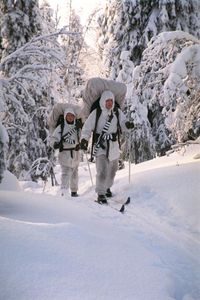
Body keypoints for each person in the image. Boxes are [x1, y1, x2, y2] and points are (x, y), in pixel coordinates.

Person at [80, 90, 134, 204]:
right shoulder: (96, 113)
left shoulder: (117, 112)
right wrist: (84, 139)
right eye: (107, 101)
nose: (109, 103)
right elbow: (87, 127)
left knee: (113, 169)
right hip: (101, 145)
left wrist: (128, 125)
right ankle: (101, 193)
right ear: (103, 102)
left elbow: (123, 123)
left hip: (113, 146)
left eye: (111, 101)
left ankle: (107, 188)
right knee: (102, 170)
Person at [51, 107, 82, 197]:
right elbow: (53, 138)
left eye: (72, 116)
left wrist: (82, 144)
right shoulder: (61, 127)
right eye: (68, 116)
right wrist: (55, 144)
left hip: (75, 153)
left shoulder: (78, 127)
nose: (70, 117)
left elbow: (82, 137)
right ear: (65, 117)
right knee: (65, 173)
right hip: (64, 153)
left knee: (75, 173)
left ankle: (74, 191)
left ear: (74, 117)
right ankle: (64, 191)